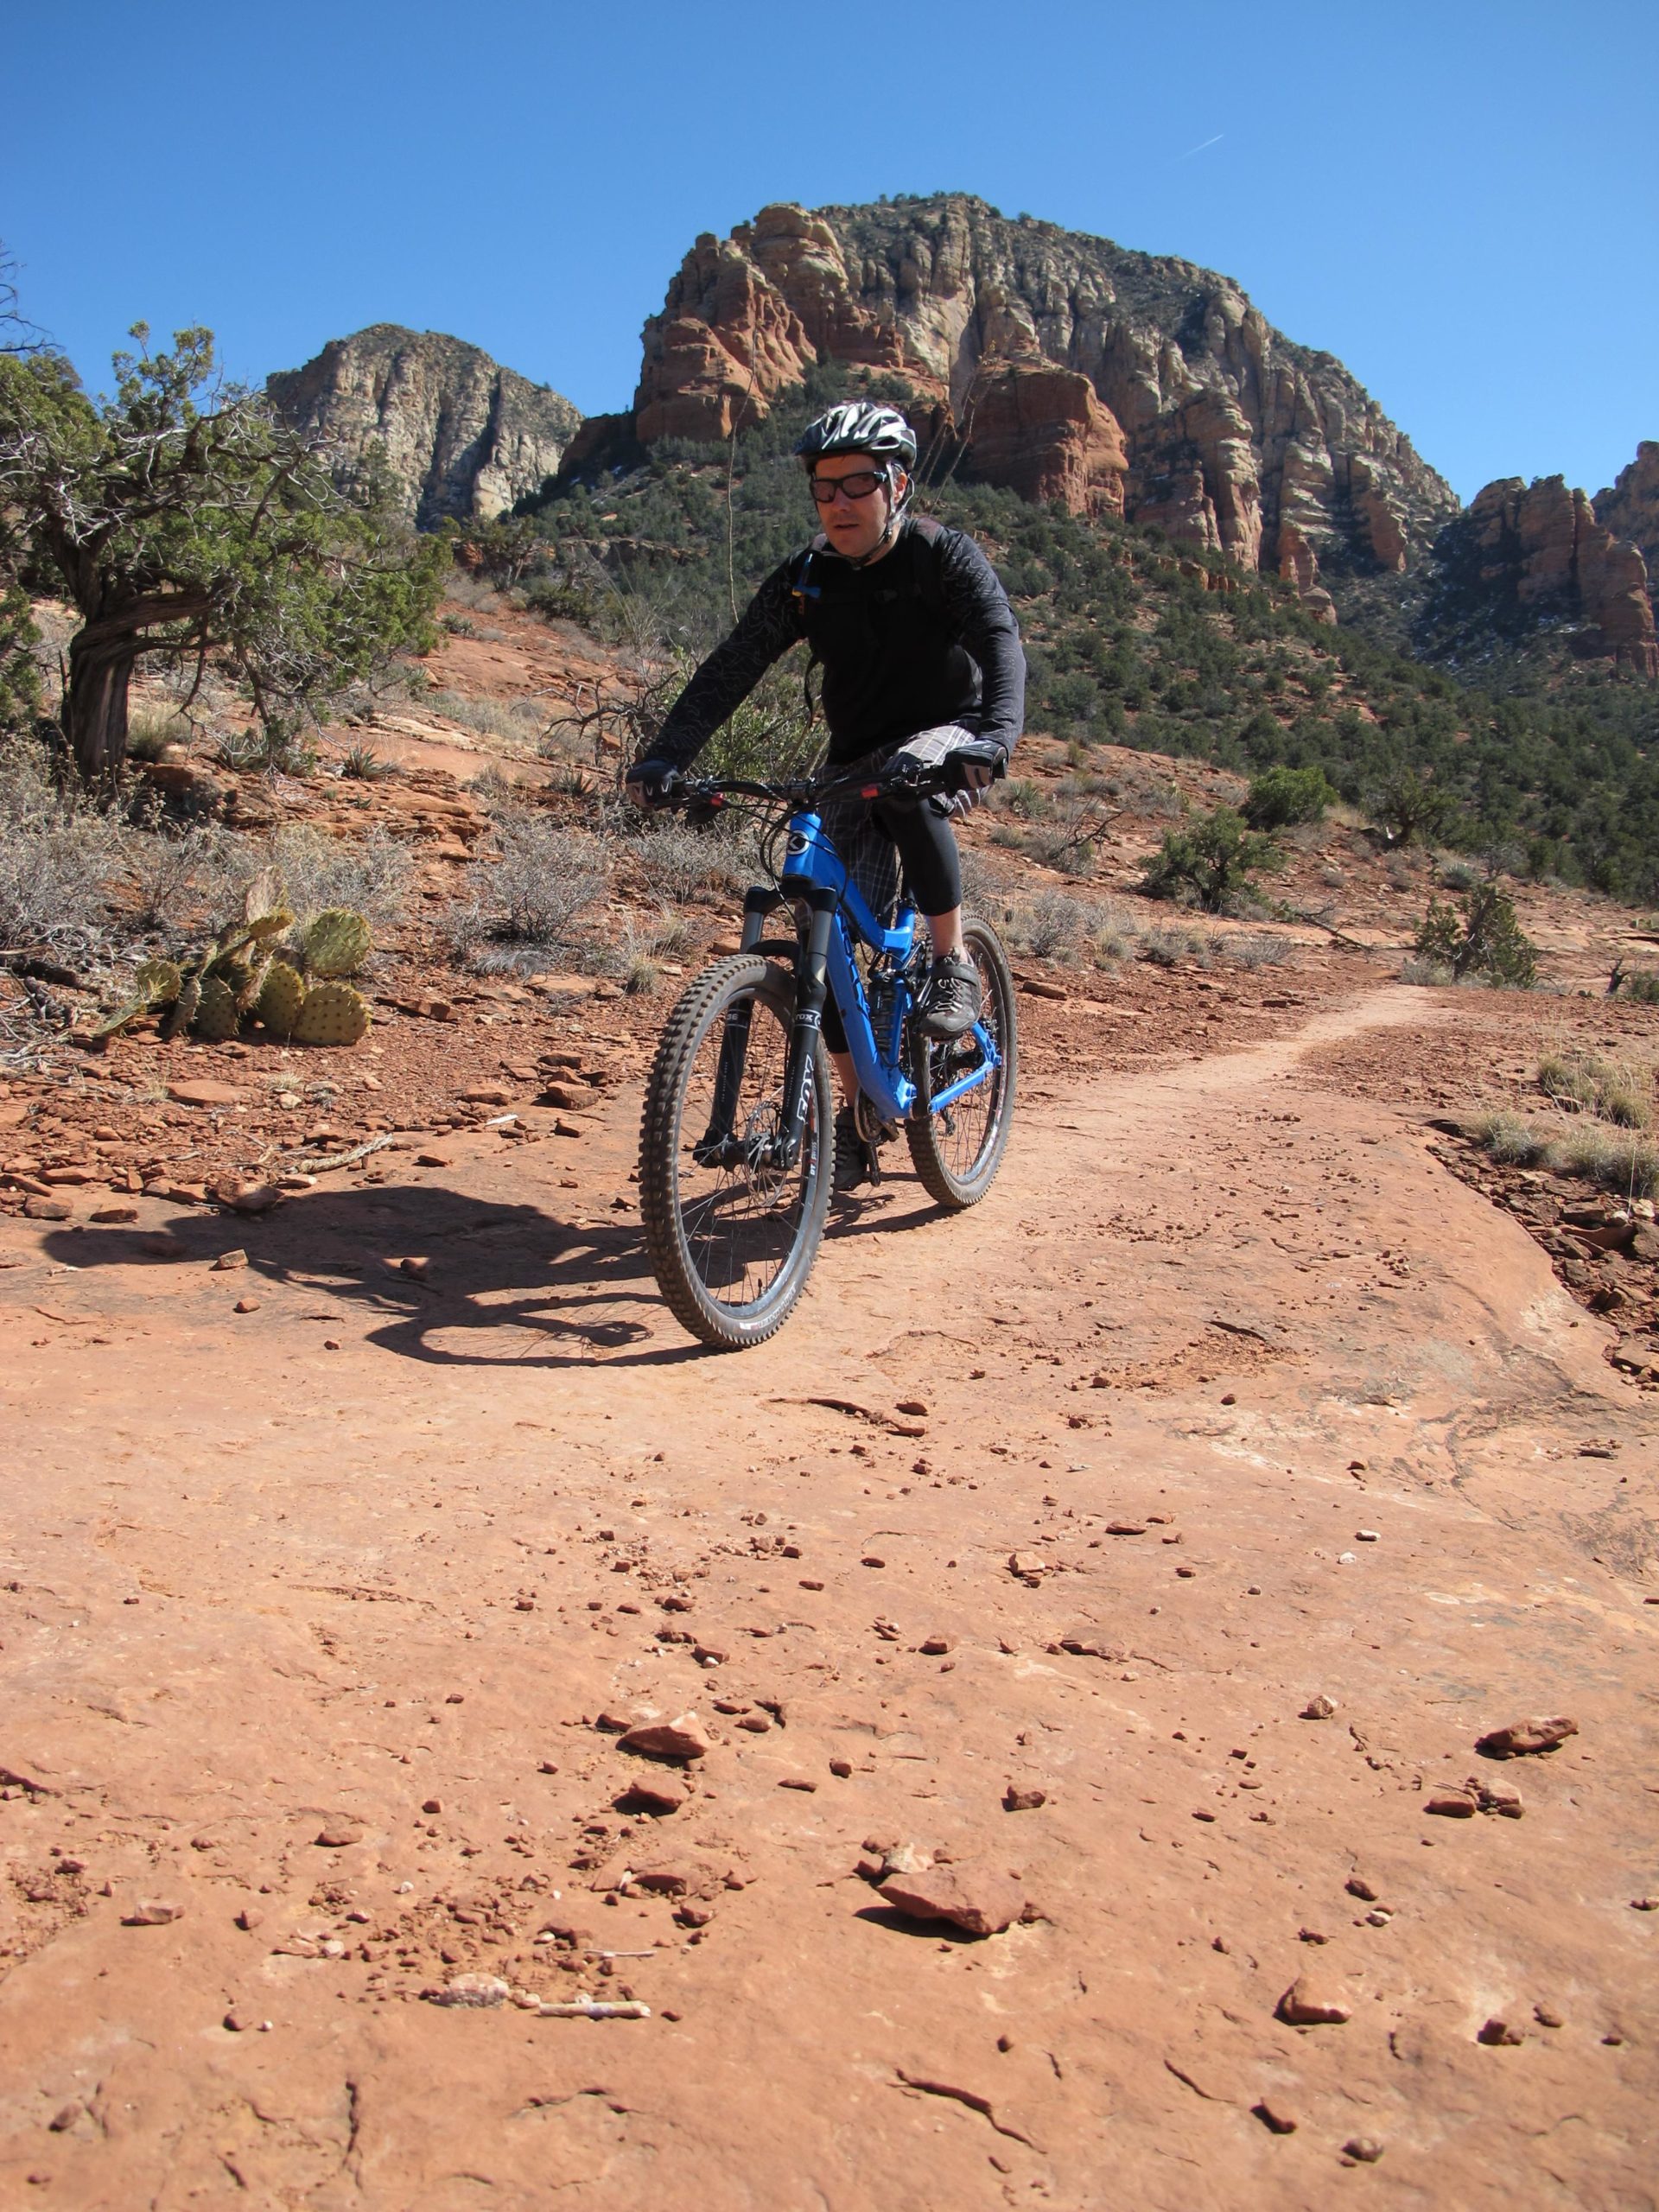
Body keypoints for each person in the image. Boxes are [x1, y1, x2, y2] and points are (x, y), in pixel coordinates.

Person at [626, 397, 1026, 1185]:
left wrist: (994, 740)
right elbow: (732, 666)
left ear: (897, 484)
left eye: (858, 485)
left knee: (905, 790)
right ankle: (861, 1112)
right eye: (824, 488)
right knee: (826, 925)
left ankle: (951, 962)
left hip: (950, 731)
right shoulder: (807, 578)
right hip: (853, 756)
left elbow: (999, 641)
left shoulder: (943, 558)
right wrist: (667, 755)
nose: (840, 502)